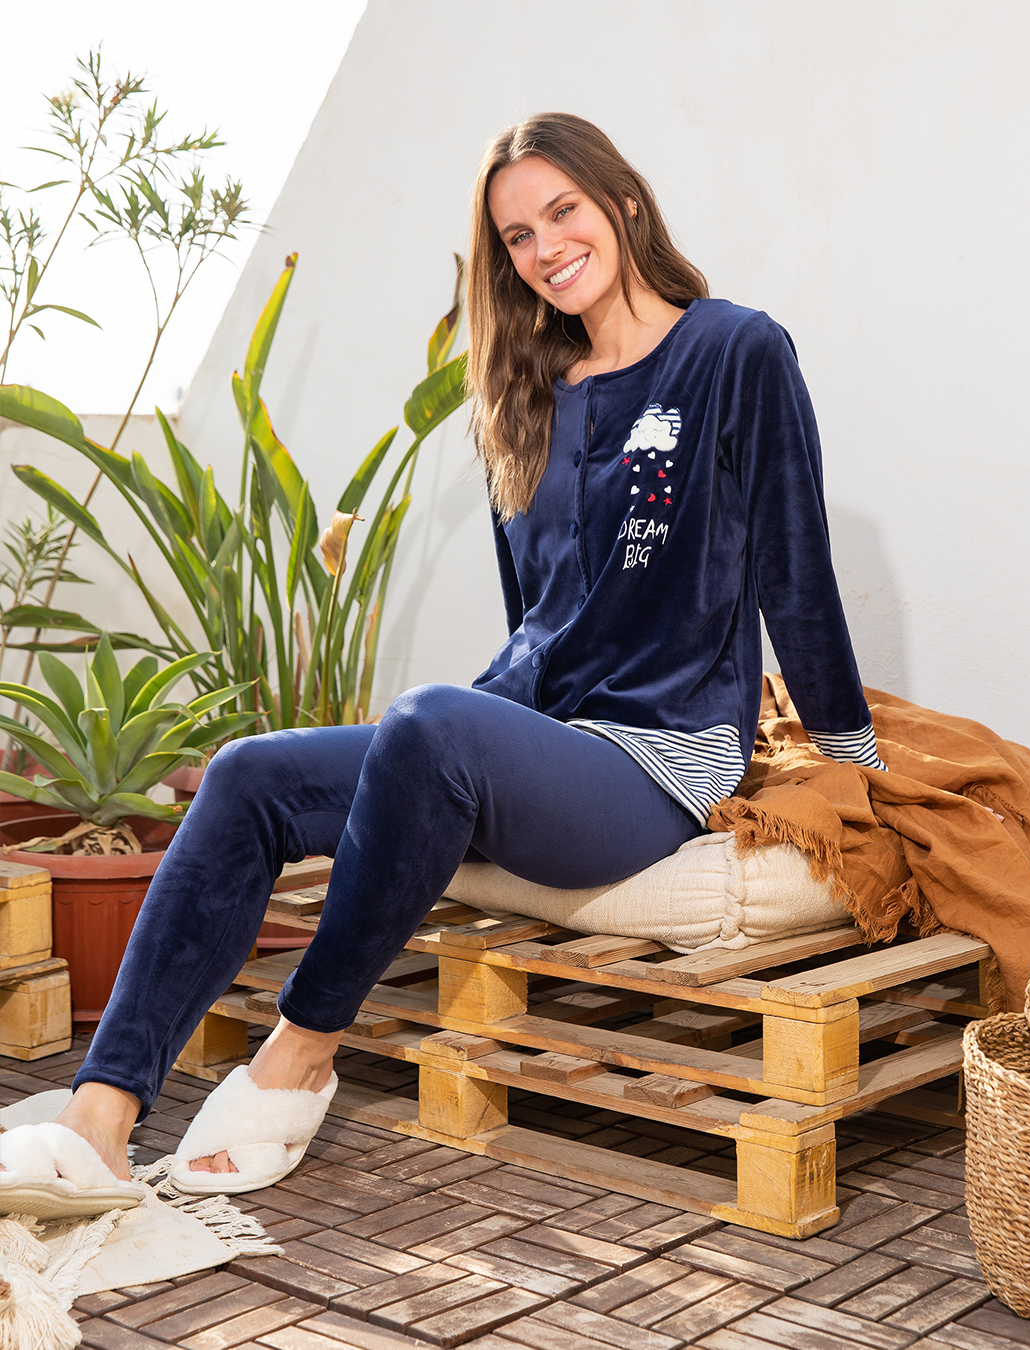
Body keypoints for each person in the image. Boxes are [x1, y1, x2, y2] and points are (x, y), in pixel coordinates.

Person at [0, 112, 883, 1216]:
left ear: (625, 203)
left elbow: (797, 564)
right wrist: (468, 743)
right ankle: (99, 1119)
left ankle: (301, 1053)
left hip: (656, 760)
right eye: (516, 235)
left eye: (562, 211)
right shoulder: (528, 392)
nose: (545, 246)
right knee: (247, 774)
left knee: (432, 723)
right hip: (535, 741)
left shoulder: (734, 351)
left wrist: (853, 756)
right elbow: (540, 622)